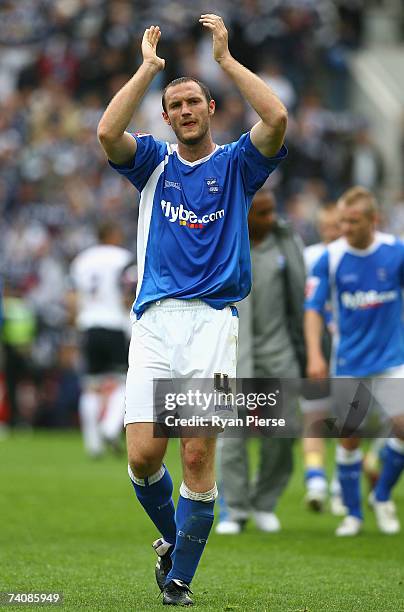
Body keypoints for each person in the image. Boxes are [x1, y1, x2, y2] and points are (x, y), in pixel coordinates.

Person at [97, 14, 287, 606]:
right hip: (154, 321)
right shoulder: (152, 161)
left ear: (211, 107)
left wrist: (227, 61)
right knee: (142, 455)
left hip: (211, 323)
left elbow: (277, 119)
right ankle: (176, 545)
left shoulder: (236, 165)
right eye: (174, 104)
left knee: (198, 454)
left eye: (192, 102)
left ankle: (179, 582)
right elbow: (107, 133)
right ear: (166, 115)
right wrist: (147, 69)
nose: (183, 110)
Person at [305, 186, 404, 537]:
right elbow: (313, 309)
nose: (345, 227)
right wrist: (316, 353)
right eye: (342, 220)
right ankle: (353, 515)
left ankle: (380, 495)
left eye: (353, 221)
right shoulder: (329, 258)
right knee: (349, 439)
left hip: (392, 358)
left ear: (373, 220)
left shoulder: (396, 253)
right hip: (349, 361)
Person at [215, 188, 305, 535]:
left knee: (281, 435)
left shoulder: (285, 244)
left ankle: (264, 502)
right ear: (245, 214)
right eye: (262, 213)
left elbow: (299, 300)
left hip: (279, 351)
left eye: (272, 212)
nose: (270, 219)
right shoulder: (224, 244)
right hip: (231, 353)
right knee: (231, 436)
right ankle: (235, 510)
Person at [69, 221, 133, 457]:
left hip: (89, 325)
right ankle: (109, 427)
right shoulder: (123, 257)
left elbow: (72, 297)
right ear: (113, 233)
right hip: (115, 324)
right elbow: (129, 293)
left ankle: (93, 444)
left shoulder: (82, 260)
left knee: (91, 386)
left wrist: (76, 322)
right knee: (123, 381)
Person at [301, 202, 343, 513]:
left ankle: (342, 484)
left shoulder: (352, 255)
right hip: (319, 343)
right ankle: (315, 479)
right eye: (327, 227)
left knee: (347, 418)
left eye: (337, 226)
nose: (332, 233)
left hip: (349, 346)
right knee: (314, 415)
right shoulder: (311, 256)